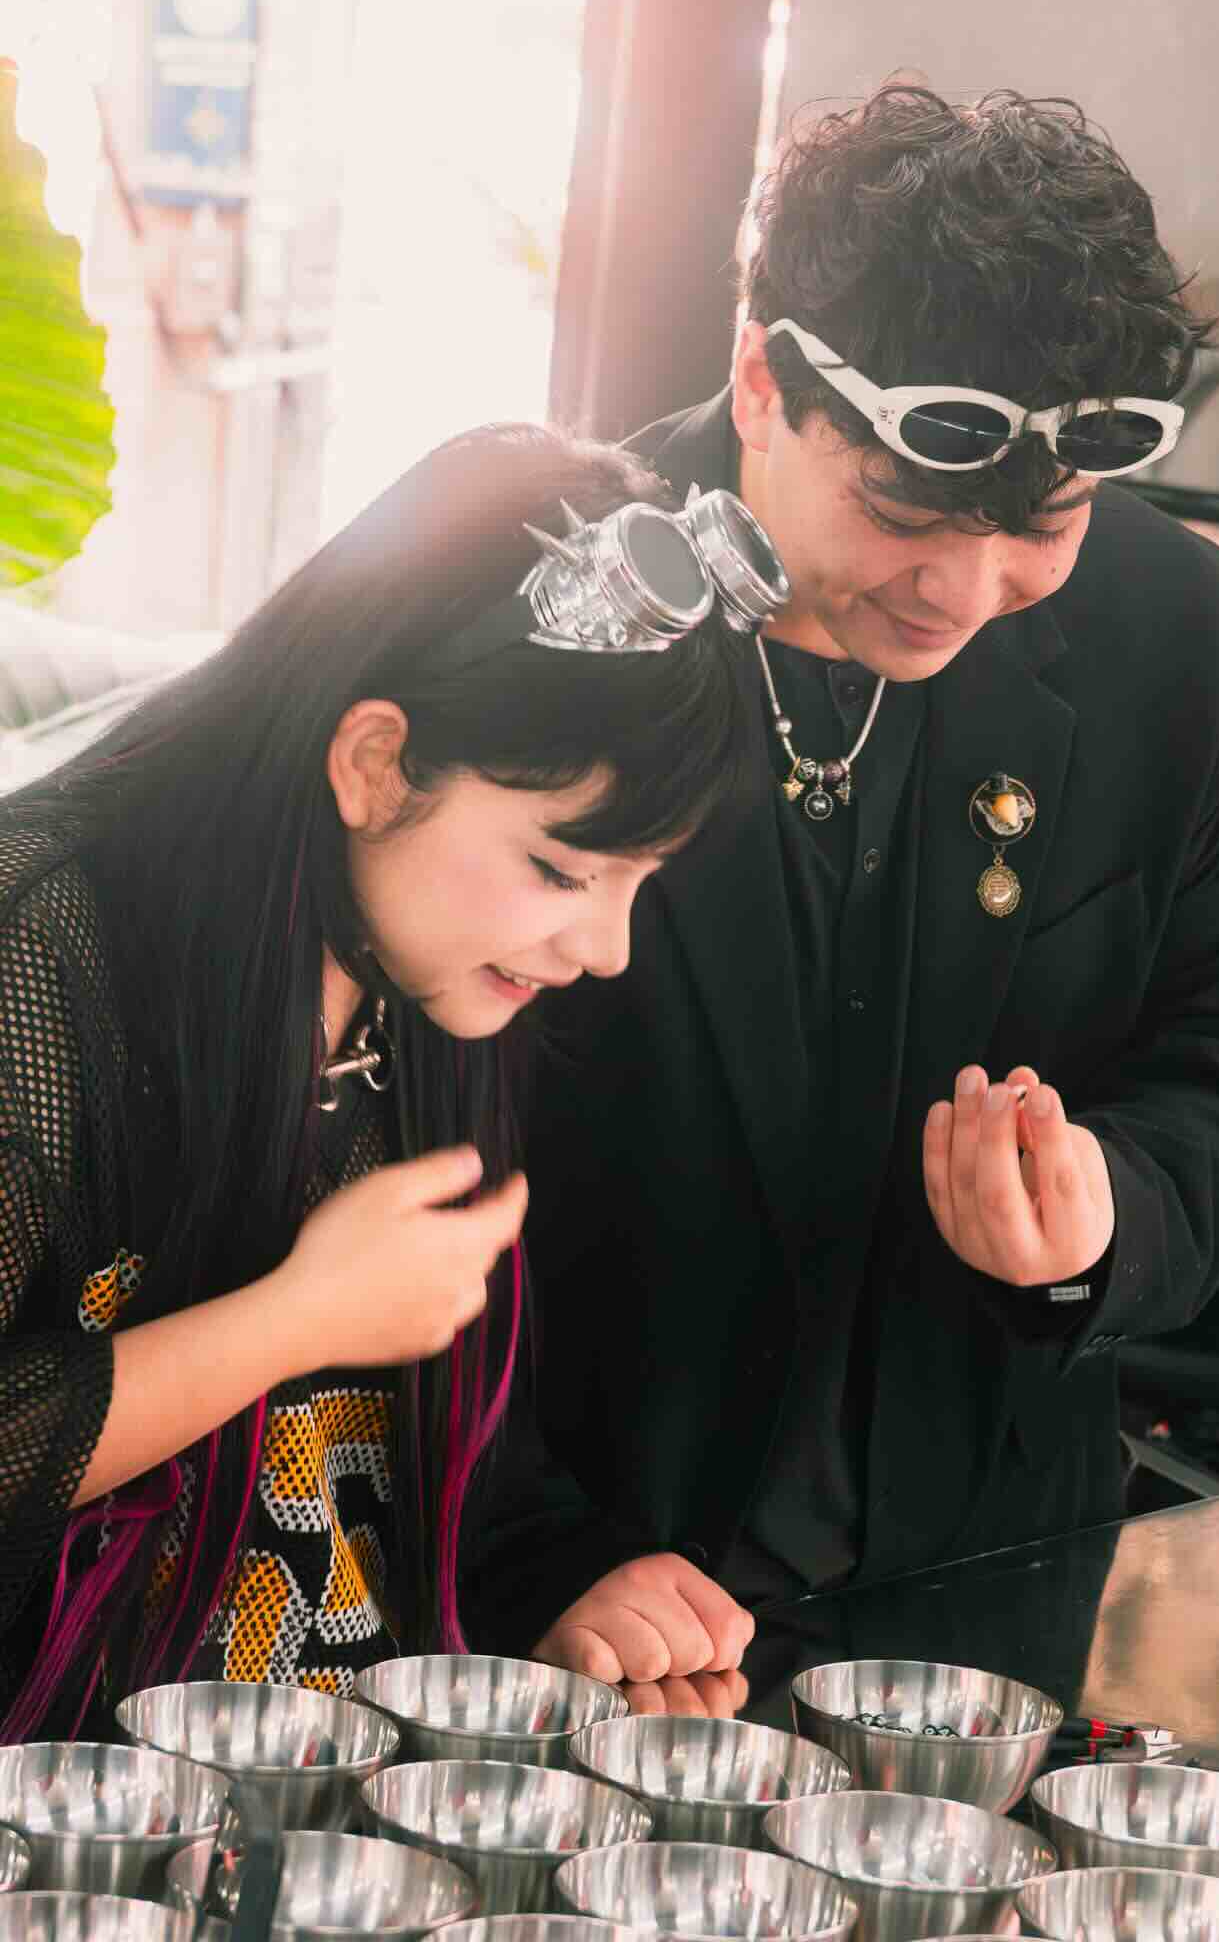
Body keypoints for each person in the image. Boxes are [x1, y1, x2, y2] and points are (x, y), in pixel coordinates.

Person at [495, 84, 1219, 1667]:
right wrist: (528, 1542)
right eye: (903, 513)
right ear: (761, 382)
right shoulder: (552, 585)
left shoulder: (1170, 630)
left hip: (979, 1577)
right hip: (585, 1570)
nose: (964, 591)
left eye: (1042, 527)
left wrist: (1100, 1221)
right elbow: (362, 1129)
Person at [0, 422, 774, 1739]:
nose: (604, 949)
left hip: (329, 1795)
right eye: (560, 869)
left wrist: (567, 1582)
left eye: (640, 882)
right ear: (372, 763)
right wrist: (293, 1319)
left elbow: (431, 1470)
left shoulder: (428, 976)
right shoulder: (42, 951)